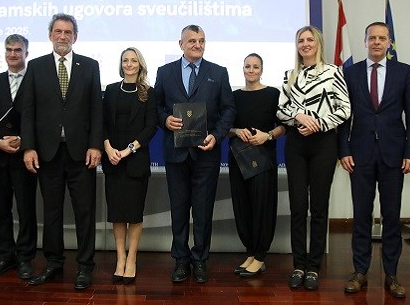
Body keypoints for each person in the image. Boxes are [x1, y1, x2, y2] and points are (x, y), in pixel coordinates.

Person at [337, 22, 410, 298]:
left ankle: (392, 275)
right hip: (359, 154)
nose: (376, 42)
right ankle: (359, 272)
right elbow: (343, 116)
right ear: (365, 41)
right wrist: (343, 150)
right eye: (372, 38)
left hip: (393, 155)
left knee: (391, 217)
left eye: (382, 38)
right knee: (361, 216)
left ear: (389, 43)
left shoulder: (403, 71)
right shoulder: (350, 72)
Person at [21, 13, 102, 290]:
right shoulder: (36, 66)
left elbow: (96, 109)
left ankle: (85, 266)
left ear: (75, 37)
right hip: (48, 154)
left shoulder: (89, 66)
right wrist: (29, 147)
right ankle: (53, 263)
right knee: (52, 213)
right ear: (50, 35)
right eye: (58, 31)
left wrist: (95, 145)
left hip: (82, 154)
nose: (63, 36)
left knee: (84, 213)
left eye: (68, 32)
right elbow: (28, 111)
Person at [155, 24, 236, 284]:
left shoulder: (218, 72)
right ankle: (181, 259)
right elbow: (156, 107)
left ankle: (200, 259)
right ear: (181, 44)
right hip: (175, 153)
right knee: (179, 210)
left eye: (201, 40)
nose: (197, 45)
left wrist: (217, 135)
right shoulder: (165, 72)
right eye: (192, 41)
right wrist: (165, 120)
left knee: (202, 211)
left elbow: (228, 110)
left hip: (206, 153)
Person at [277, 26, 351, 291]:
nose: (305, 44)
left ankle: (313, 267)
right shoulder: (289, 75)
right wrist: (298, 116)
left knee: (318, 207)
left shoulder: (333, 72)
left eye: (310, 40)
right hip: (296, 145)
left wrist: (317, 123)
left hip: (323, 144)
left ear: (318, 43)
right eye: (301, 40)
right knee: (298, 207)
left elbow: (345, 109)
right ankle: (299, 265)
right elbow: (281, 110)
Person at [0, 34, 37, 280]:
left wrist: (25, 140)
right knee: (1, 209)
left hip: (25, 155)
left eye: (17, 50)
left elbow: (42, 116)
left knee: (26, 209)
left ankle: (25, 258)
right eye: (9, 50)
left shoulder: (36, 81)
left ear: (26, 53)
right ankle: (5, 256)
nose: (12, 54)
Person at [102, 47, 157, 285]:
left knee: (134, 214)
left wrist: (128, 150)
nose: (129, 64)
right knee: (117, 214)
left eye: (134, 60)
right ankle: (120, 259)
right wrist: (108, 148)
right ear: (121, 64)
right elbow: (102, 123)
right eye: (125, 60)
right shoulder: (111, 90)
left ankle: (132, 258)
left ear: (140, 65)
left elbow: (151, 127)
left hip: (135, 161)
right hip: (113, 160)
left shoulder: (148, 93)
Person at [228, 53, 285, 277]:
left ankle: (261, 256)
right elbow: (226, 127)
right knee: (243, 206)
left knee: (262, 206)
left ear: (262, 70)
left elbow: (284, 126)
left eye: (255, 67)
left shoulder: (273, 94)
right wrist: (236, 131)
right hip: (239, 158)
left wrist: (267, 136)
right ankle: (251, 253)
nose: (251, 70)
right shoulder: (233, 96)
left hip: (264, 158)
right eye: (247, 66)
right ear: (242, 69)